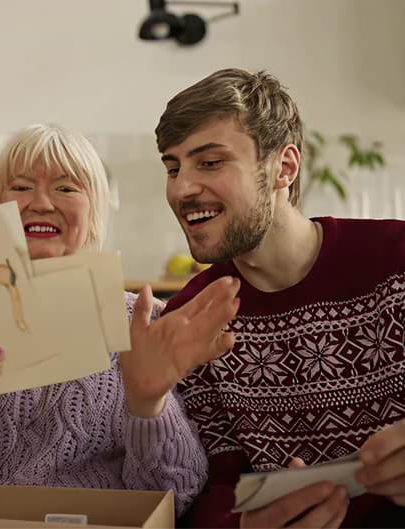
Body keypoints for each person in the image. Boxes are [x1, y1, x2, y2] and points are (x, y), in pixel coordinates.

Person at [0, 124, 242, 517]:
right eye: (21, 186)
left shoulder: (143, 325)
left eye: (66, 188)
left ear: (94, 211)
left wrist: (149, 406)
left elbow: (176, 495)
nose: (40, 202)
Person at [154, 68, 405, 527]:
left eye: (210, 163)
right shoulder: (191, 318)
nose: (182, 188)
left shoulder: (397, 263)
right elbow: (213, 485)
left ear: (284, 168)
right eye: (173, 167)